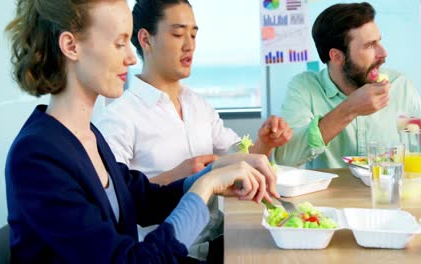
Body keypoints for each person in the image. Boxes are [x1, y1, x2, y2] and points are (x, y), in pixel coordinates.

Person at [4, 0, 279, 262]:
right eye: (120, 43)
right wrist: (205, 186)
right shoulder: (36, 156)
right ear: (70, 46)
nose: (131, 58)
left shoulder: (88, 137)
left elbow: (145, 200)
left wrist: (215, 171)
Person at [94, 0, 292, 261]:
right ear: (145, 39)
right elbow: (117, 201)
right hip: (169, 253)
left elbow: (239, 162)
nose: (190, 45)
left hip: (221, 241)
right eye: (178, 34)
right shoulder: (119, 117)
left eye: (194, 34)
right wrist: (180, 176)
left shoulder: (198, 105)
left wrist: (265, 143)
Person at [275, 2, 421, 169]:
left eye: (379, 42)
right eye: (369, 46)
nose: (383, 53)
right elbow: (286, 159)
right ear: (336, 56)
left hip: (390, 194)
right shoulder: (304, 87)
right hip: (329, 199)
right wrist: (350, 108)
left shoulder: (400, 85)